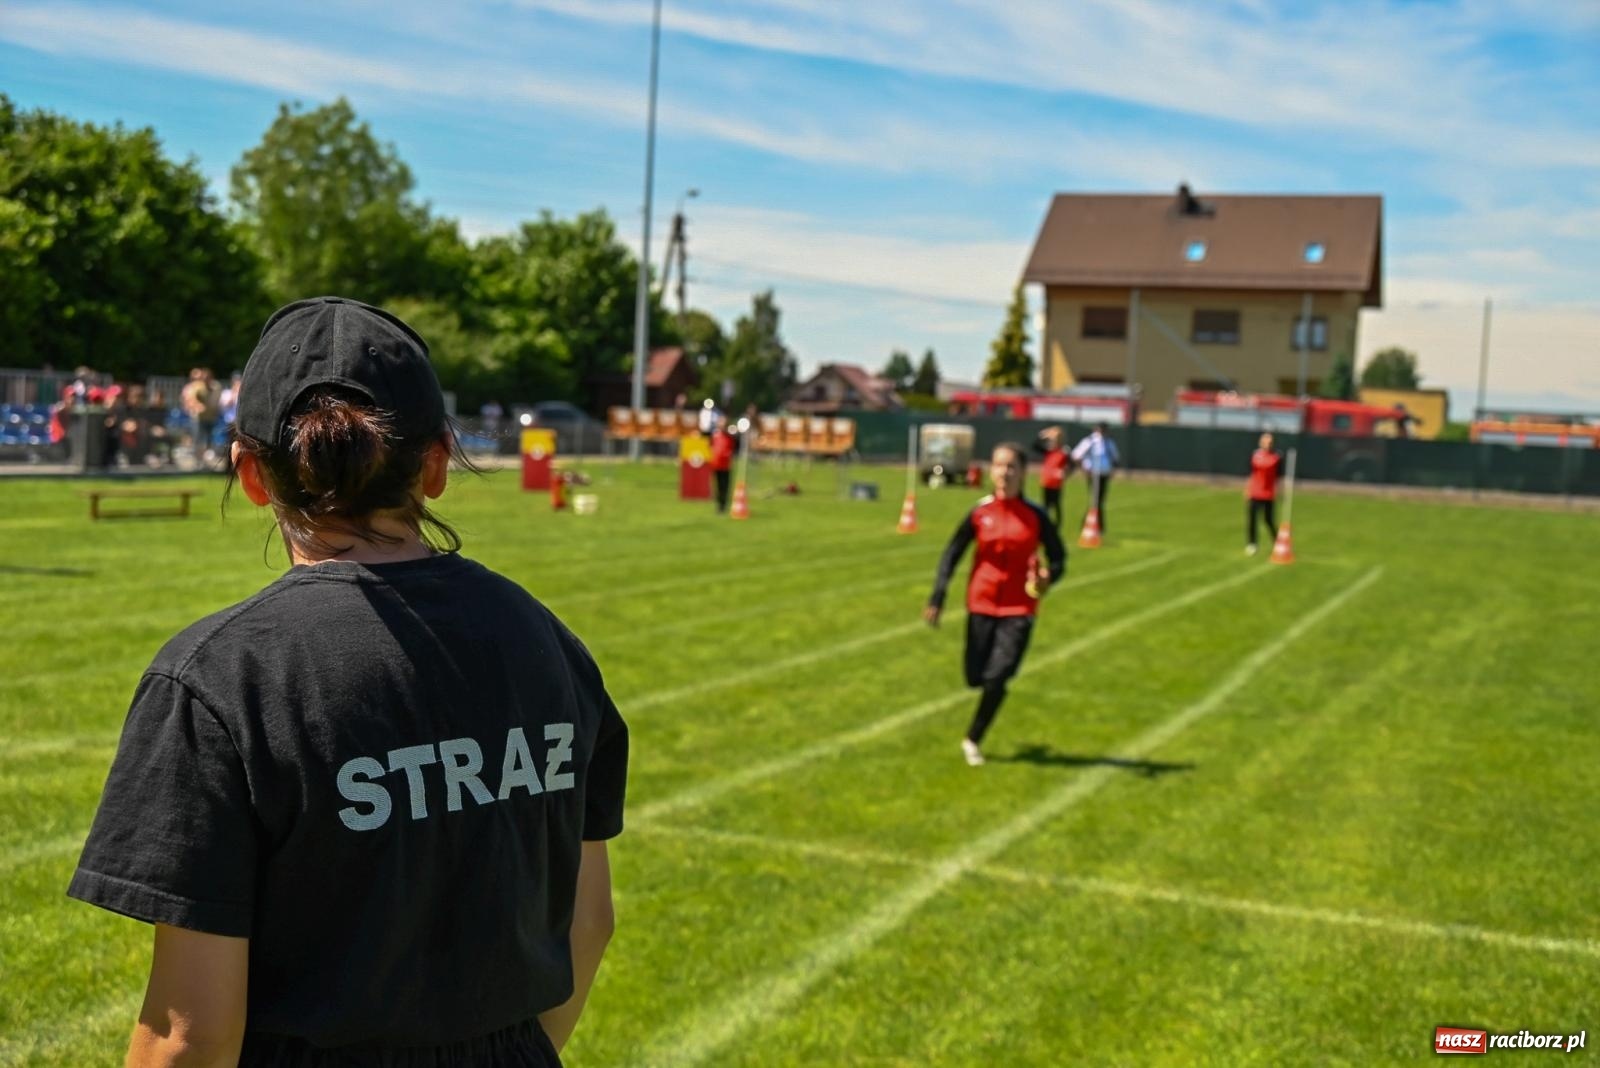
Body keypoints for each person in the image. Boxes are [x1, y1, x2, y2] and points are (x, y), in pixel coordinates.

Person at [67, 296, 628, 1066]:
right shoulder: (550, 643)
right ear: (435, 465)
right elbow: (587, 925)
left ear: (253, 475)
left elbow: (187, 1037)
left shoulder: (219, 682)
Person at [924, 443, 1067, 766]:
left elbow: (1059, 558)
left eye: (1012, 467)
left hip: (1020, 608)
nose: (1005, 473)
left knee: (998, 676)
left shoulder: (1035, 516)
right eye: (999, 466)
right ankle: (981, 706)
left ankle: (972, 739)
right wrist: (938, 594)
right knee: (975, 676)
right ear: (992, 471)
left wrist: (1048, 578)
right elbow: (952, 553)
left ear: (1022, 473)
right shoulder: (979, 513)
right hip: (981, 602)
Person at [1071, 422, 1121, 534]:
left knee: (1099, 500)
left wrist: (1112, 470)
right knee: (1095, 500)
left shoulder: (1109, 442)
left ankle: (1097, 525)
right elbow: (1077, 455)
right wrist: (1084, 469)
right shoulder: (1090, 441)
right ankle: (1090, 524)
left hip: (1104, 474)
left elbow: (1115, 457)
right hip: (1094, 474)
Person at [1245, 431, 1283, 555]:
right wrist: (1248, 489)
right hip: (1255, 492)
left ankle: (1277, 543)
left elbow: (1278, 476)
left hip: (1268, 493)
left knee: (1268, 520)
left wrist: (1280, 490)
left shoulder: (1276, 457)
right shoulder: (1255, 455)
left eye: (1270, 442)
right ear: (1261, 442)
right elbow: (1252, 473)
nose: (1268, 444)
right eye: (1266, 441)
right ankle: (1252, 544)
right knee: (1252, 520)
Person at [1032, 426, 1071, 530]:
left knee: (1056, 504)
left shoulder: (1063, 452)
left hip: (1056, 483)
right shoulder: (1048, 451)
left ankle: (1057, 525)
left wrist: (1065, 473)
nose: (1053, 442)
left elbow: (1071, 465)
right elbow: (1035, 446)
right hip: (1046, 482)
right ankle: (1045, 524)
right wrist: (1042, 435)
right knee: (1045, 505)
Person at [710, 413, 736, 512]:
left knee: (724, 486)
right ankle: (718, 504)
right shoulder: (715, 435)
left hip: (725, 466)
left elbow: (732, 448)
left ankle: (723, 505)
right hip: (716, 464)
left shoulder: (730, 437)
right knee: (716, 486)